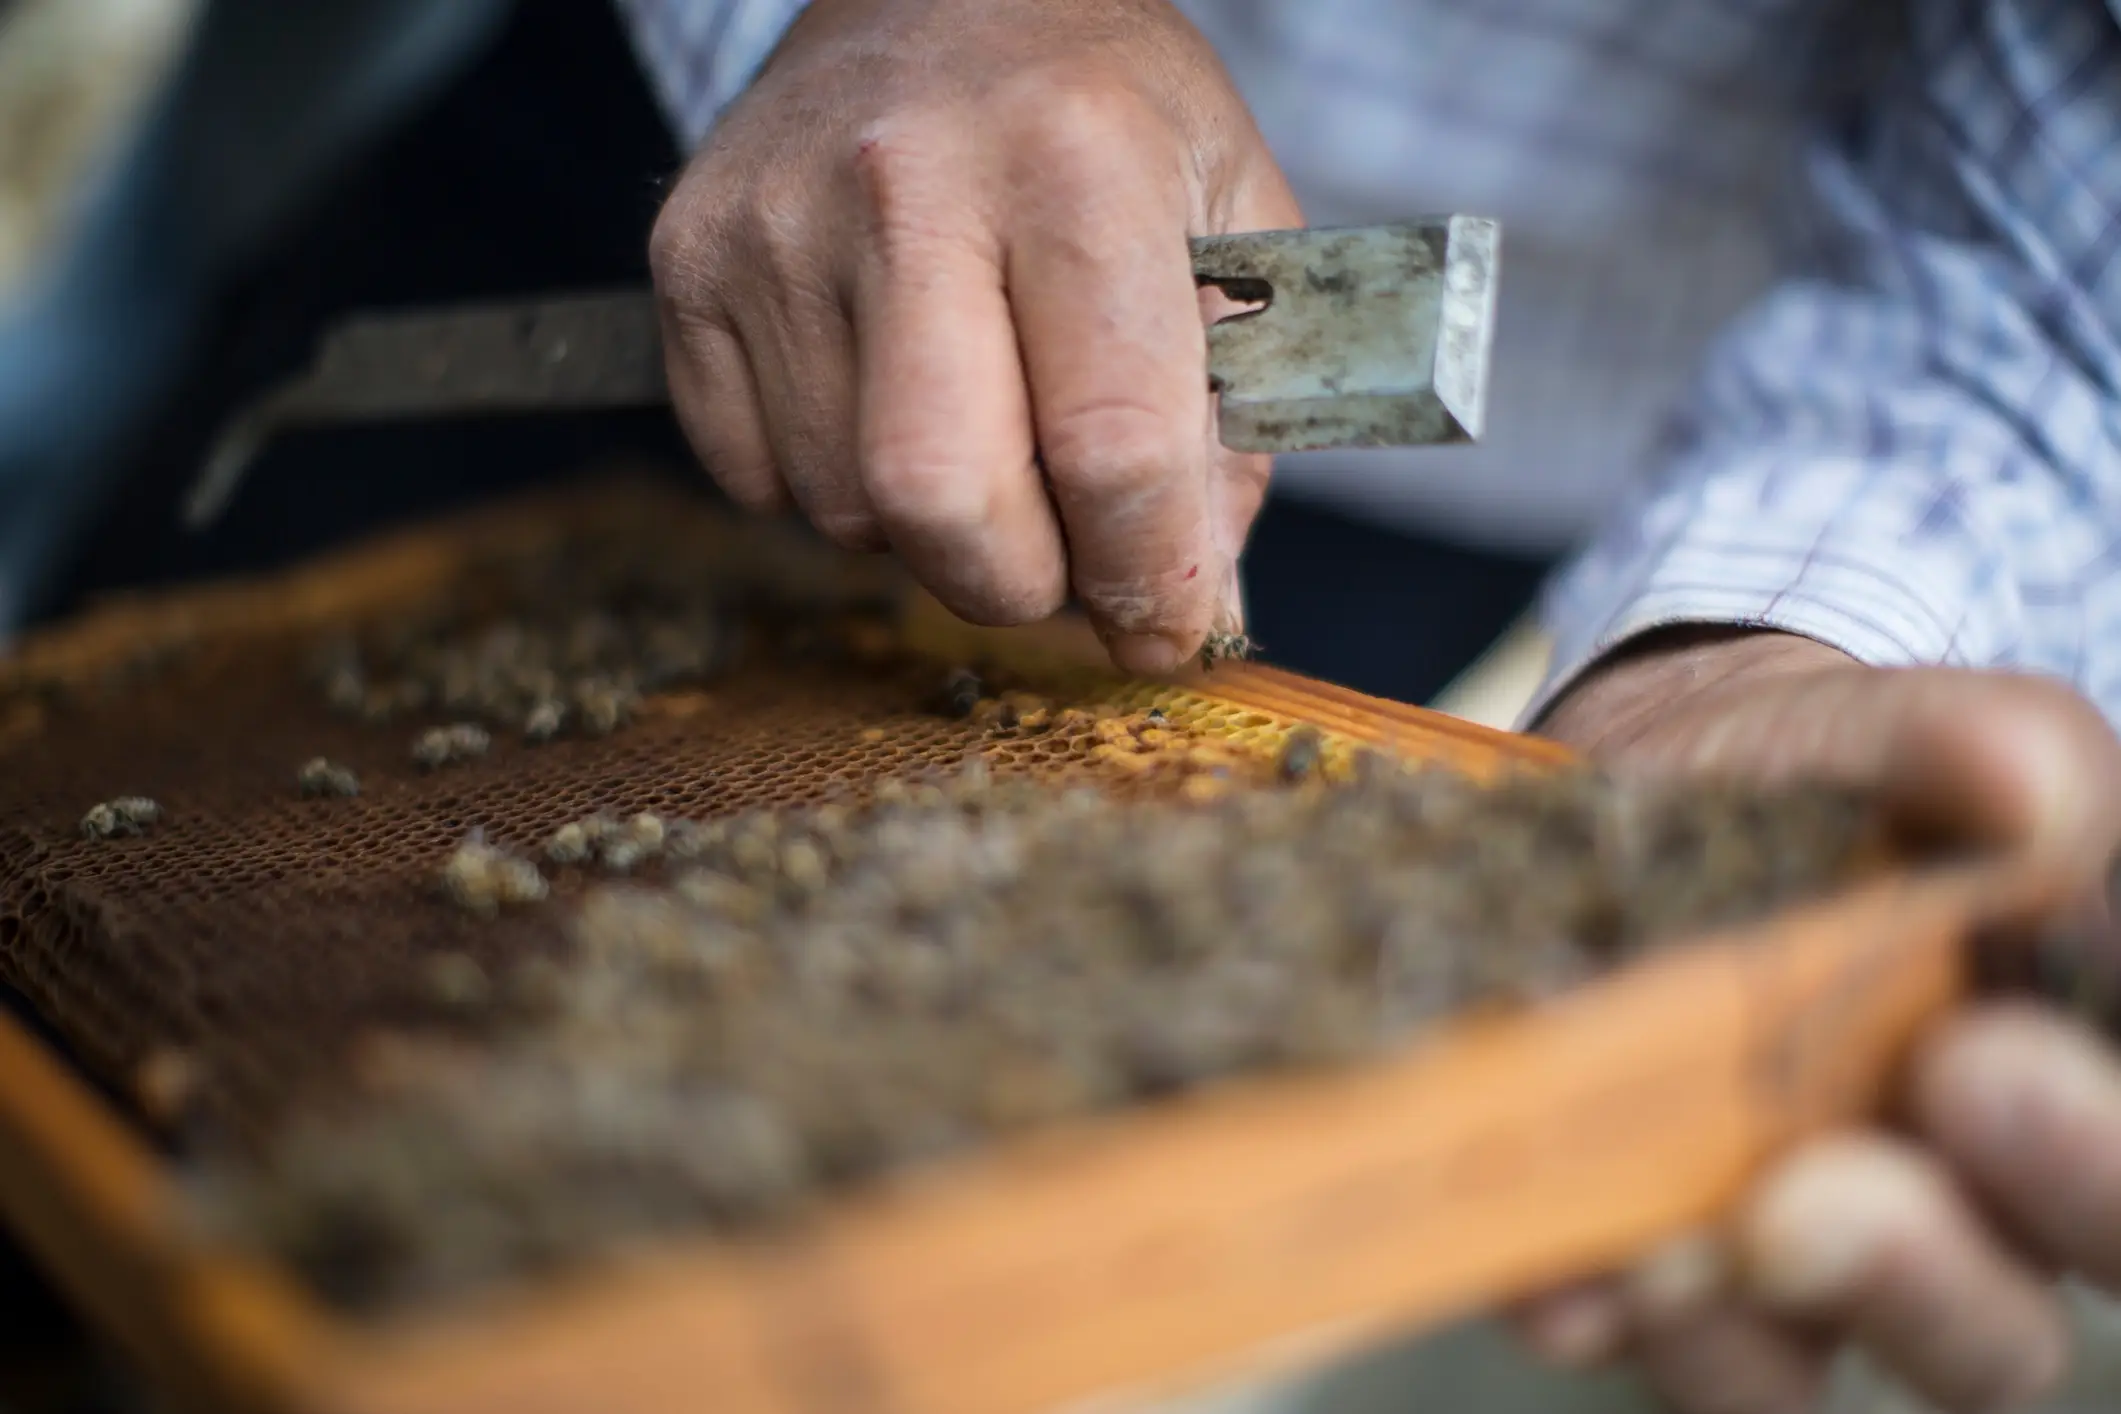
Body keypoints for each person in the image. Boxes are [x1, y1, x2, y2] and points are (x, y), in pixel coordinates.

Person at [619, 1, 2121, 1412]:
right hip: (729, 161)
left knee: (984, 1066)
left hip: (1447, 439)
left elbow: (2057, 237)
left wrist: (1780, 625)